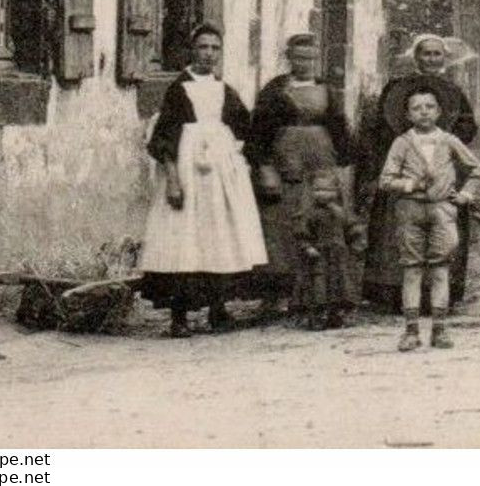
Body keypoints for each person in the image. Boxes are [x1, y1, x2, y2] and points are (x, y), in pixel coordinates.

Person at [138, 24, 266, 338]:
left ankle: (218, 310)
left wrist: (240, 160)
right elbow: (164, 139)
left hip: (220, 178)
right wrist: (173, 180)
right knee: (184, 241)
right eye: (203, 47)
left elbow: (247, 129)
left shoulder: (225, 91)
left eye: (214, 48)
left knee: (220, 238)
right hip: (188, 175)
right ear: (192, 50)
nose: (209, 54)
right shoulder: (179, 90)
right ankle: (179, 316)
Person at [362, 33, 479, 309]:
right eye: (426, 53)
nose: (431, 59)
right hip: (405, 168)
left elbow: (467, 128)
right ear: (416, 57)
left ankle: (437, 298)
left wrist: (443, 139)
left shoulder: (453, 91)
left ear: (444, 58)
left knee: (442, 231)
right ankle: (393, 295)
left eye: (437, 54)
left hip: (440, 168)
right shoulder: (396, 87)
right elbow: (381, 127)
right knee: (400, 231)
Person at [248, 34, 355, 319]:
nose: (305, 63)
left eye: (310, 58)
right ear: (289, 58)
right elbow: (258, 132)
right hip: (284, 159)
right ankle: (278, 294)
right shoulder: (275, 90)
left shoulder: (327, 91)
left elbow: (339, 128)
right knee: (281, 224)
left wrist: (343, 164)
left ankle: (318, 294)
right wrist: (264, 166)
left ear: (316, 58)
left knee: (321, 221)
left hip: (321, 160)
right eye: (298, 57)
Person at [379, 86, 480, 352]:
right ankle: (411, 330)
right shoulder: (402, 143)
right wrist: (411, 184)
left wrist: (464, 196)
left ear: (439, 111)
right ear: (407, 114)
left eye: (429, 107)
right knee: (412, 269)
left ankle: (440, 329)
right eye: (416, 108)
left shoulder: (449, 140)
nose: (423, 112)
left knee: (440, 268)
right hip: (410, 211)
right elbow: (386, 180)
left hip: (442, 211)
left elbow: (476, 170)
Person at [293, 169, 366, 331]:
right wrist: (308, 247)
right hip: (318, 257)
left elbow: (353, 229)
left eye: (327, 190)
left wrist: (355, 245)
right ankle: (317, 316)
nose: (322, 194)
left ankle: (336, 315)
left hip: (339, 257)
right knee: (318, 285)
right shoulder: (308, 213)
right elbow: (301, 233)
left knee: (339, 285)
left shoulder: (342, 212)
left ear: (336, 192)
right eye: (317, 190)